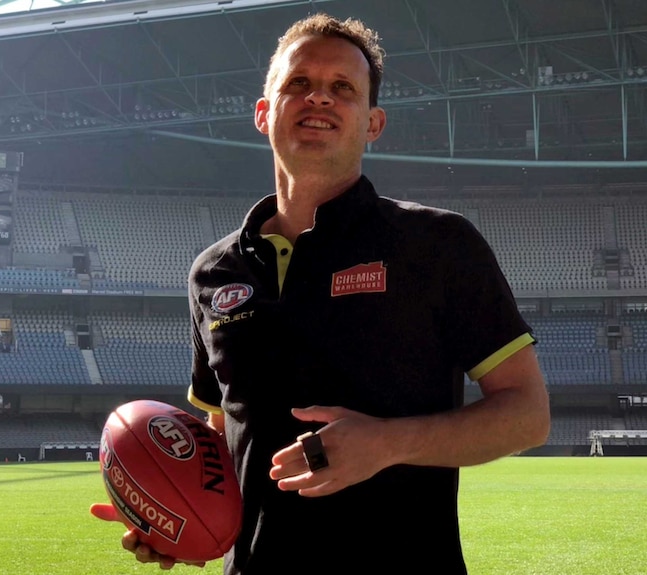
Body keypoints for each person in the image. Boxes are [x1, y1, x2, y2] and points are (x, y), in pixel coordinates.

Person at [92, 12, 550, 574]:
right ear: (264, 113)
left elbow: (528, 415)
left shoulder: (437, 244)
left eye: (343, 88)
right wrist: (176, 519)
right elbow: (222, 435)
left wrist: (387, 443)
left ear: (373, 122)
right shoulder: (212, 273)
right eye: (298, 84)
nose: (320, 99)